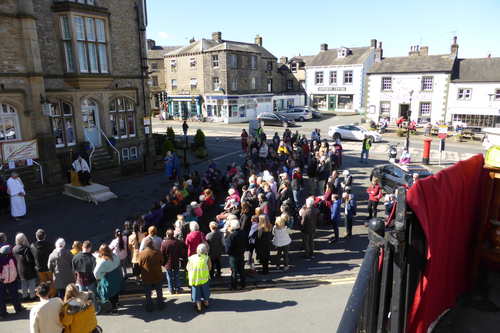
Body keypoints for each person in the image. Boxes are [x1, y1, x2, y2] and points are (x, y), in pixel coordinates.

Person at [137, 237, 165, 312]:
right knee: (159, 291)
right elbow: (162, 262)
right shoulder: (158, 252)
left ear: (145, 245)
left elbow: (139, 264)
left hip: (146, 276)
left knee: (148, 292)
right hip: (157, 275)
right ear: (152, 244)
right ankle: (160, 305)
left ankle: (149, 306)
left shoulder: (141, 254)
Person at [93, 244, 122, 314]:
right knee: (115, 291)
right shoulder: (115, 256)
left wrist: (101, 276)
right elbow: (118, 263)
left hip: (109, 278)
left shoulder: (102, 261)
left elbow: (96, 273)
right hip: (117, 276)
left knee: (109, 293)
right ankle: (116, 303)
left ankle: (114, 309)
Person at [0, 245, 25, 318]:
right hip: (12, 280)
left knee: (1, 297)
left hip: (2, 281)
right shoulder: (12, 259)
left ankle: (2, 312)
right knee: (14, 295)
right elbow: (16, 268)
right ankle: (18, 308)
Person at [187, 243, 211, 313]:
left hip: (194, 279)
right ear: (205, 250)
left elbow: (187, 268)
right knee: (205, 291)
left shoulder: (191, 258)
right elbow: (209, 268)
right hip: (204, 278)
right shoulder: (207, 258)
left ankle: (199, 308)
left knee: (196, 293)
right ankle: (206, 303)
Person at [12, 233, 37, 301]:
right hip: (29, 269)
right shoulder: (27, 248)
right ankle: (32, 296)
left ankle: (25, 296)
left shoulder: (14, 249)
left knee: (23, 283)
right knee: (31, 282)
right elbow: (30, 260)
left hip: (20, 268)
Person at [224, 220, 247, 290]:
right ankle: (243, 284)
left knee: (234, 271)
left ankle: (234, 285)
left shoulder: (231, 236)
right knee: (241, 270)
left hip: (233, 256)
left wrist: (228, 253)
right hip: (241, 253)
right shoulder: (243, 233)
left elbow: (228, 247)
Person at [161, 229, 185, 294]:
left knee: (169, 277)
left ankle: (171, 290)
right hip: (176, 262)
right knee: (176, 276)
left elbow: (162, 254)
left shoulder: (164, 243)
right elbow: (181, 252)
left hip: (167, 263)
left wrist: (163, 263)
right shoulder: (177, 242)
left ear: (167, 235)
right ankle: (177, 288)